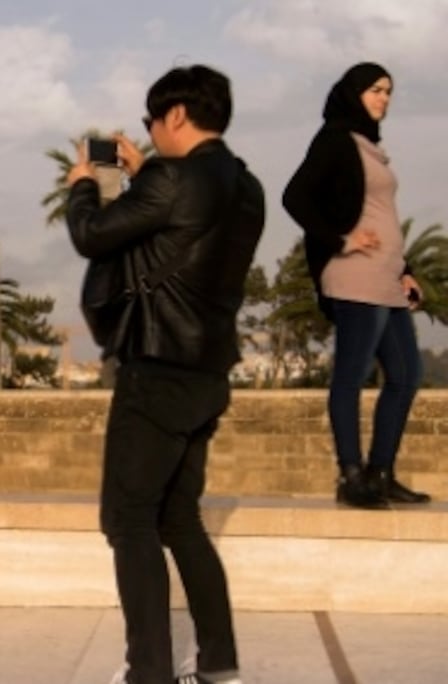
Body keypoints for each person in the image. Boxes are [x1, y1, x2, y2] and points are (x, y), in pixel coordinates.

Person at [66, 65, 263, 684]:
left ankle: (148, 671)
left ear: (176, 115)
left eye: (152, 122)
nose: (150, 133)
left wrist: (82, 185)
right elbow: (179, 232)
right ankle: (219, 662)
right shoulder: (247, 185)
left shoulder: (174, 179)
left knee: (128, 521)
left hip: (157, 371)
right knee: (179, 519)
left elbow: (93, 234)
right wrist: (144, 174)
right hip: (208, 374)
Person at [282, 62, 429, 509]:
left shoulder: (369, 145)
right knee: (351, 376)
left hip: (385, 278)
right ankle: (350, 476)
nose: (383, 98)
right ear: (353, 93)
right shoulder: (336, 140)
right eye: (375, 90)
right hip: (354, 276)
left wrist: (403, 268)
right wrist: (340, 240)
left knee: (405, 376)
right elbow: (296, 196)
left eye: (388, 91)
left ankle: (379, 473)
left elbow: (378, 213)